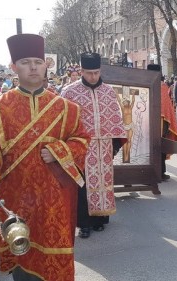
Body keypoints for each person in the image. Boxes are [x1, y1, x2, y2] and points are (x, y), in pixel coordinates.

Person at [0, 34, 89, 281]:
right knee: (20, 257)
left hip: (54, 198)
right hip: (15, 195)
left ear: (46, 65)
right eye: (25, 61)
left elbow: (82, 141)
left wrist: (58, 151)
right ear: (14, 67)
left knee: (53, 259)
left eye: (37, 61)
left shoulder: (67, 108)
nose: (33, 66)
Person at [61, 52, 125, 239]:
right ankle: (84, 223)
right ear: (81, 71)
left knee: (104, 182)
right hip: (81, 146)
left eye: (96, 72)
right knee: (82, 185)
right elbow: (64, 121)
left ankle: (100, 219)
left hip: (104, 146)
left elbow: (115, 116)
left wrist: (114, 145)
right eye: (89, 73)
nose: (93, 76)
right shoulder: (69, 92)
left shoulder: (108, 91)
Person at [148, 64, 177, 180]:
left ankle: (160, 172)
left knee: (159, 146)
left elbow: (166, 108)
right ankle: (149, 173)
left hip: (161, 123)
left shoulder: (162, 87)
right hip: (147, 122)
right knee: (148, 148)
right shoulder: (145, 85)